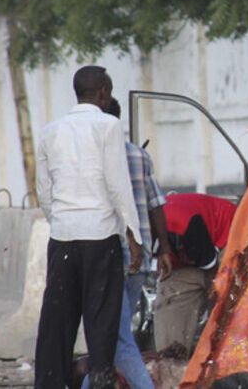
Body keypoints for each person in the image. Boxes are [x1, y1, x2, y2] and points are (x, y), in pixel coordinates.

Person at [35, 65, 143, 388]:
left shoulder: (50, 131)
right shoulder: (108, 125)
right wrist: (133, 234)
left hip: (63, 238)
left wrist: (61, 222)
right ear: (104, 93)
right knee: (102, 328)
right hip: (100, 238)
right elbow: (118, 184)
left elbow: (44, 190)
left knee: (56, 325)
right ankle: (99, 382)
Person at [79, 98, 166, 389]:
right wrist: (163, 249)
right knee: (111, 337)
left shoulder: (93, 159)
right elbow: (156, 205)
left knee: (118, 340)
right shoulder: (139, 155)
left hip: (111, 257)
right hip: (140, 257)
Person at [151, 192, 237, 353]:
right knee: (170, 302)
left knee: (227, 304)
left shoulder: (184, 225)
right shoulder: (130, 231)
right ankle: (171, 357)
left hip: (228, 237)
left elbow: (212, 270)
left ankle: (227, 355)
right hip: (188, 251)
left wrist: (216, 313)